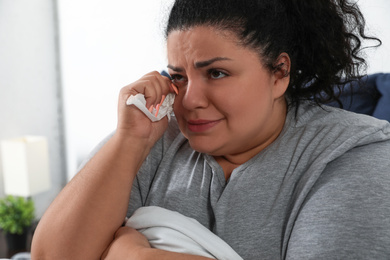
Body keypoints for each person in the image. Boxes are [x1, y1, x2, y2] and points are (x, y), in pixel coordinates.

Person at [31, 0, 390, 259]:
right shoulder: (154, 135)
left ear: (279, 73)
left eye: (216, 73)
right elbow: (51, 256)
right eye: (178, 76)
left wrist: (135, 255)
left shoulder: (356, 158)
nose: (189, 100)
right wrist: (129, 142)